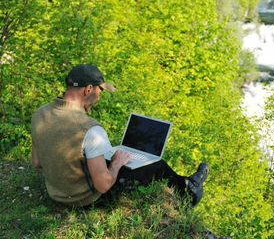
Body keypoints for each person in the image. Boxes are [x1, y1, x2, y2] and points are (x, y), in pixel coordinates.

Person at [31, 64, 208, 207]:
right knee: (155, 165)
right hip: (82, 199)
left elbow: (37, 162)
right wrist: (116, 164)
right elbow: (103, 185)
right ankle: (189, 193)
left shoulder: (40, 114)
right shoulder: (90, 129)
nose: (100, 96)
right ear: (88, 90)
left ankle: (187, 184)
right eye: (101, 90)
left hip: (55, 193)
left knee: (109, 157)